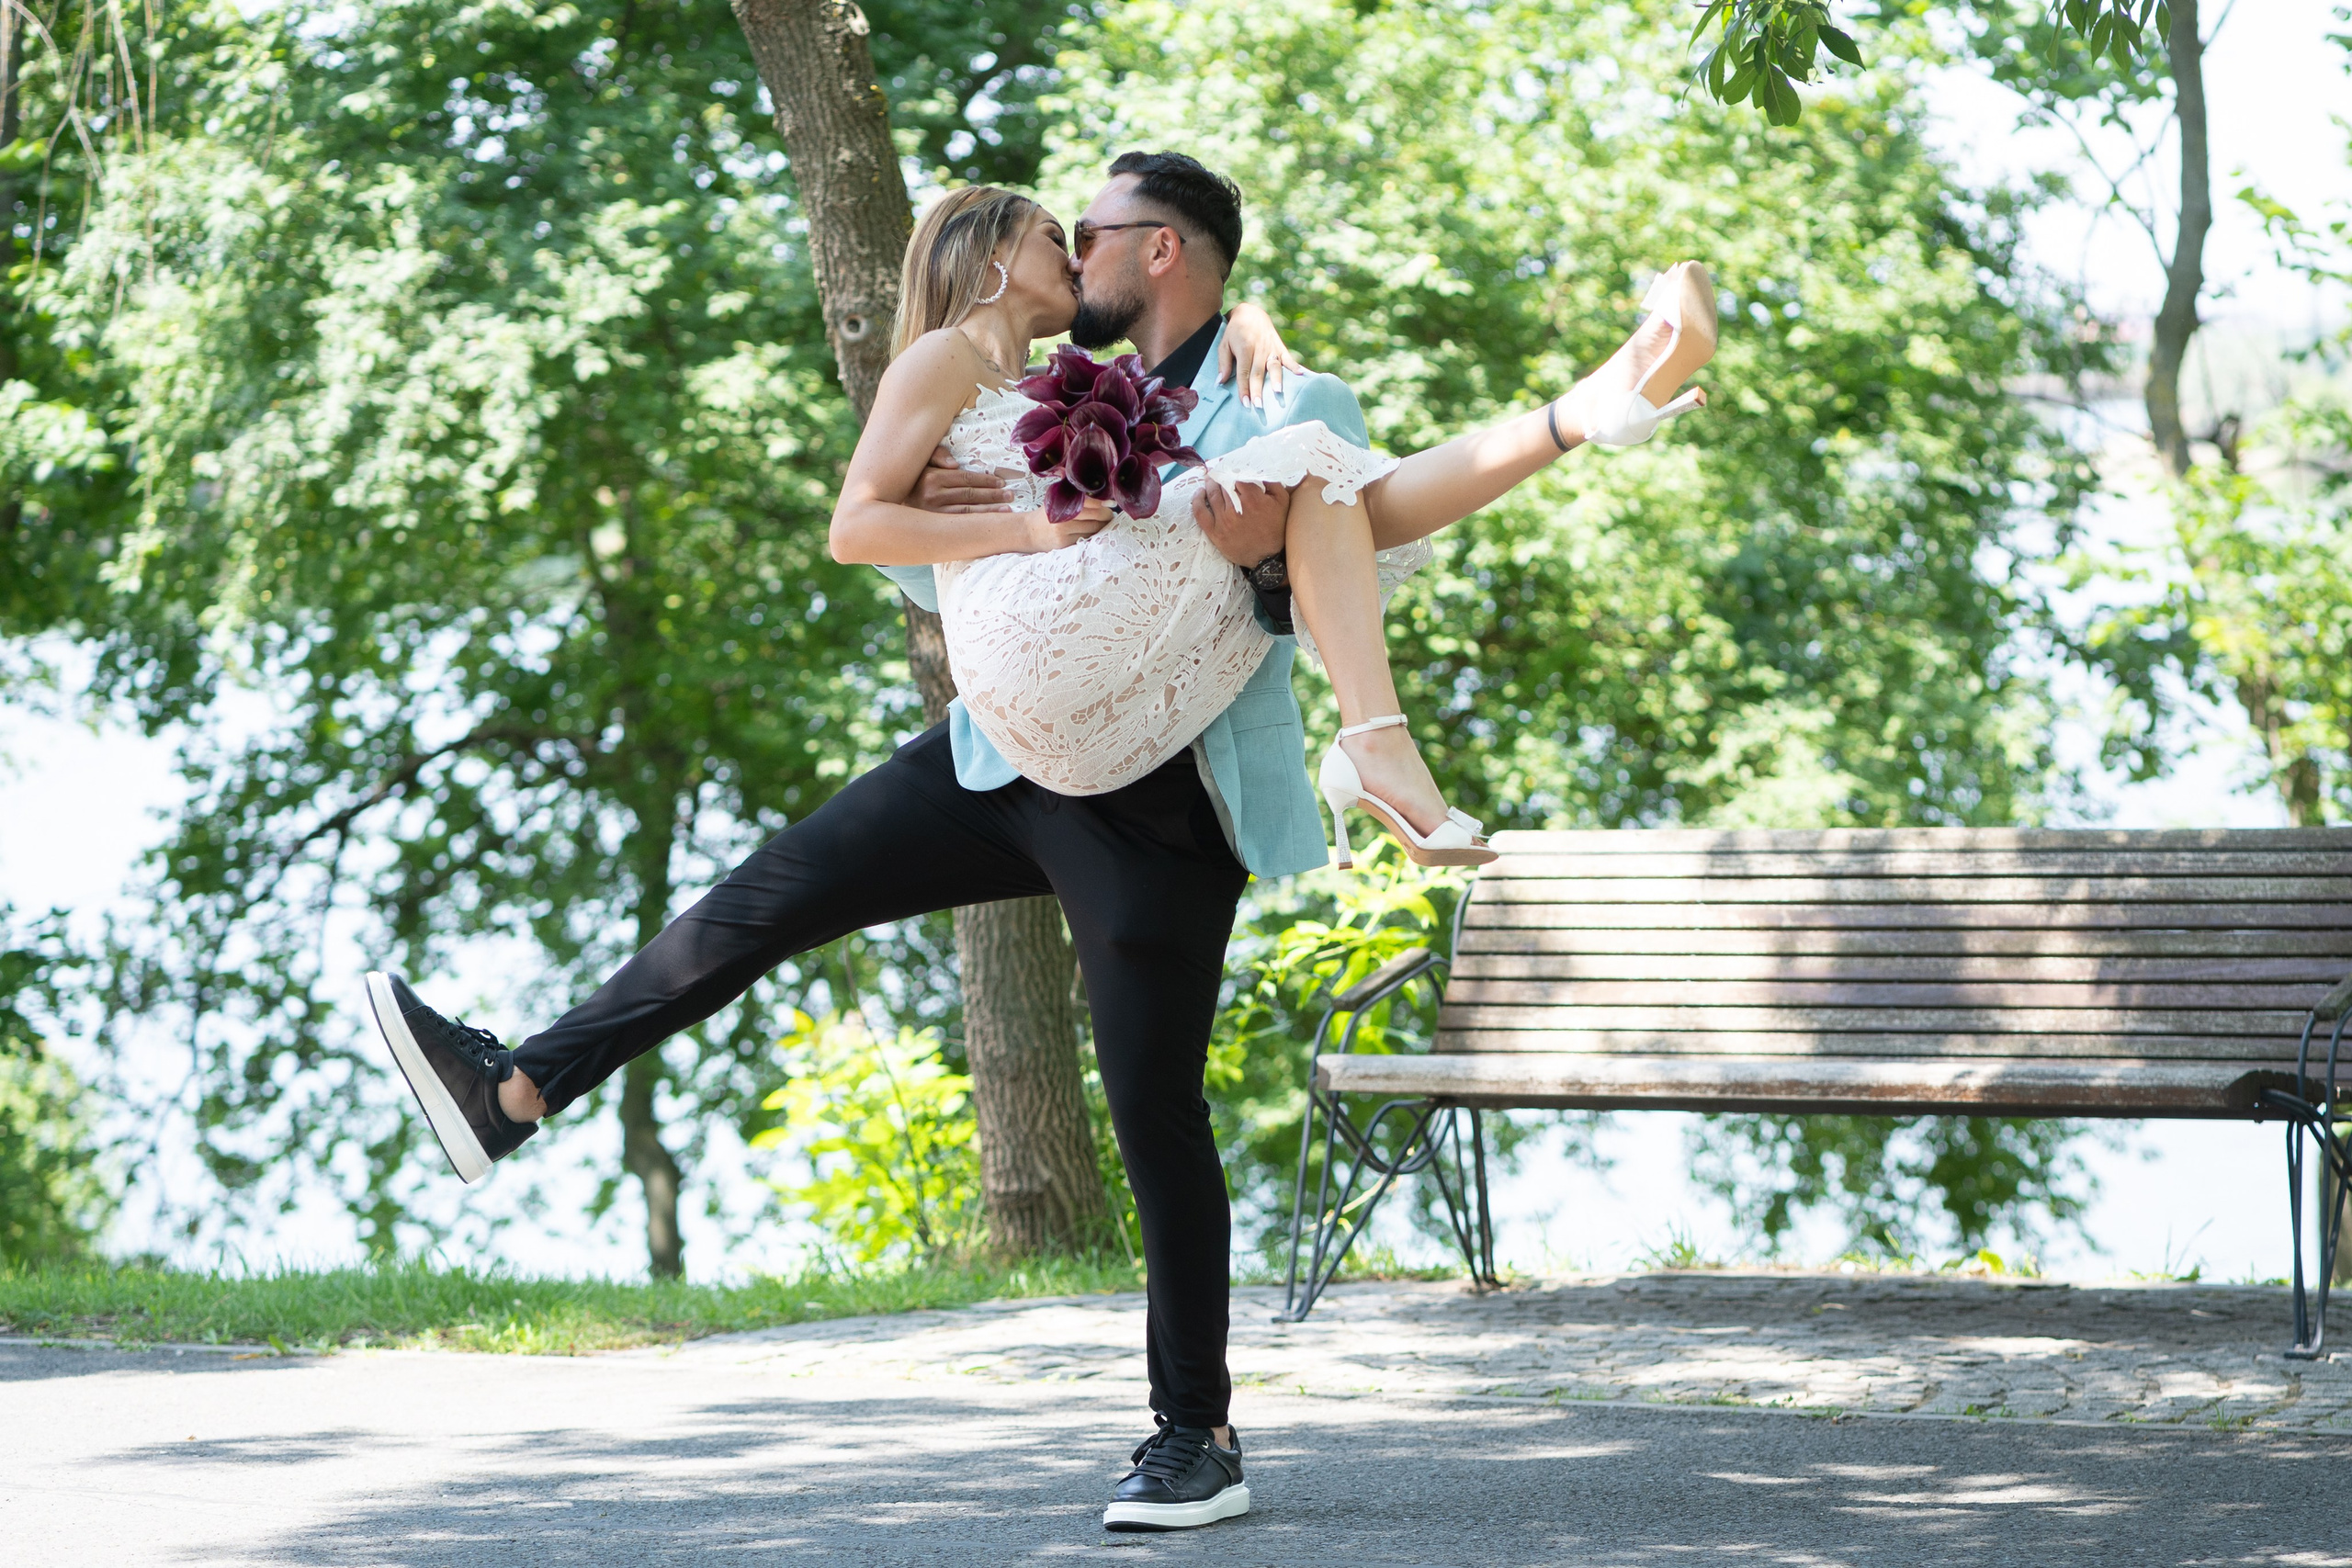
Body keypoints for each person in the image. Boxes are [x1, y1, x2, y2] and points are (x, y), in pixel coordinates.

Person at [358, 151, 1712, 1536]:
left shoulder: (1285, 395)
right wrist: (1004, 500)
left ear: (1162, 251)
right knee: (760, 901)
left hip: (1162, 803)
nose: (1074, 251)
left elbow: (1385, 505)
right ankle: (515, 1089)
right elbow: (900, 535)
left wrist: (1573, 418)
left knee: (1153, 1109)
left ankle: (1197, 1438)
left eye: (1094, 232)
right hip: (997, 763)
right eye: (1056, 237)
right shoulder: (1015, 393)